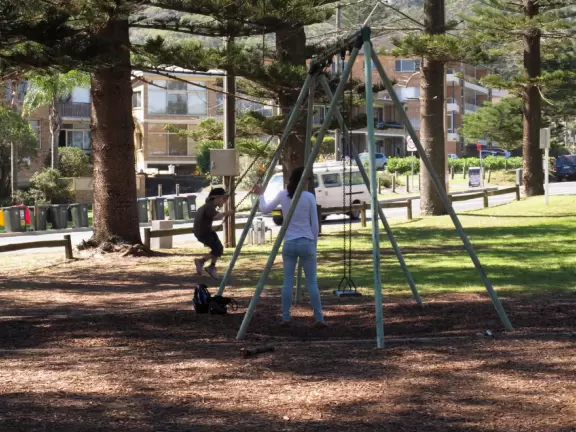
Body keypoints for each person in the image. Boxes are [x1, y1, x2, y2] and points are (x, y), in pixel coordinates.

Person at [253, 167, 326, 327]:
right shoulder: (309, 197)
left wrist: (261, 194)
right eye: (308, 179)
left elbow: (265, 209)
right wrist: (314, 243)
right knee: (312, 283)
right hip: (306, 241)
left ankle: (286, 317)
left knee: (287, 282)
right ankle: (319, 317)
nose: (309, 182)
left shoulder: (283, 194)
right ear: (303, 181)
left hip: (290, 243)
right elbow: (314, 224)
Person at [193, 187, 233, 280]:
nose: (223, 202)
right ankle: (202, 262)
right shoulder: (209, 207)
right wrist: (228, 213)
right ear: (217, 198)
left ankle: (211, 266)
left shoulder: (209, 206)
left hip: (206, 232)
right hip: (203, 233)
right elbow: (217, 216)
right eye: (223, 199)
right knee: (217, 250)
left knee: (219, 248)